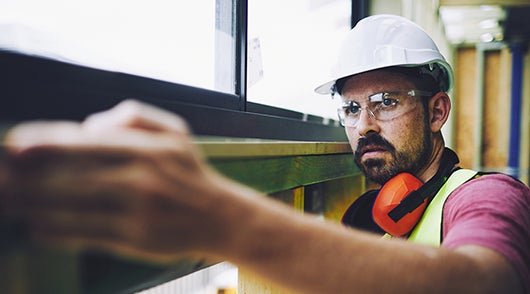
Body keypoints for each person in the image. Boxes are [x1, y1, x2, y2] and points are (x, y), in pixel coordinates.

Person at [2, 14, 529, 294]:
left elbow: (488, 283)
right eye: (350, 108)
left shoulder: (487, 196)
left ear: (437, 112)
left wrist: (223, 220)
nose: (364, 126)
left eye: (385, 103)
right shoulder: (363, 220)